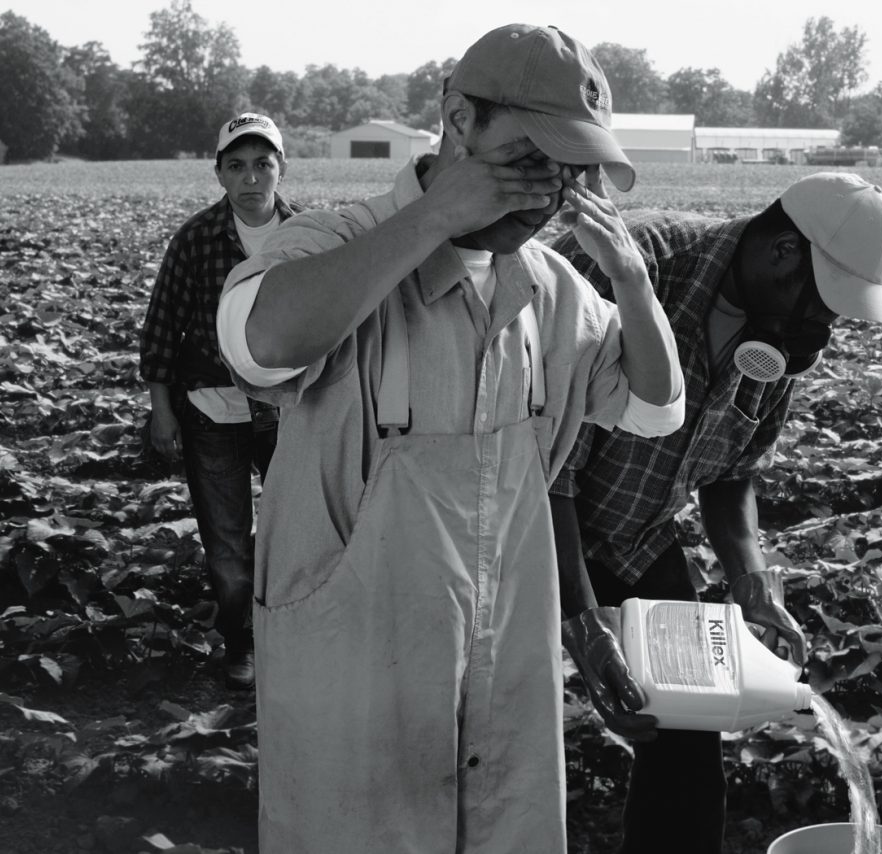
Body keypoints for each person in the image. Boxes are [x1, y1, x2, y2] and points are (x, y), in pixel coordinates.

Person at [212, 24, 684, 853]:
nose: (543, 195)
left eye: (567, 173)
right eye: (528, 159)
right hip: (356, 662)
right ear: (460, 120)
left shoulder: (552, 287)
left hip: (501, 657)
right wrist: (435, 217)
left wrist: (635, 283)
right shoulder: (335, 240)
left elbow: (656, 406)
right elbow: (262, 343)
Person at [548, 172, 882, 854]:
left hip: (634, 534)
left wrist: (751, 577)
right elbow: (546, 468)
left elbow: (734, 470)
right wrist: (582, 624)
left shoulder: (777, 341)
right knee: (506, 728)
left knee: (684, 742)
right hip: (521, 529)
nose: (822, 328)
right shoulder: (628, 265)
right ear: (782, 254)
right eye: (824, 306)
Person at [136, 112, 301, 687]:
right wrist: (162, 410)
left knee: (302, 530)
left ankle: (298, 637)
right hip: (212, 409)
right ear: (220, 175)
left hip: (289, 409)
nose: (251, 177)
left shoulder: (307, 235)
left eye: (262, 164)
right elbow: (161, 327)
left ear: (281, 168)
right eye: (237, 166)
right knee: (228, 543)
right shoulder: (197, 238)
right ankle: (241, 647)